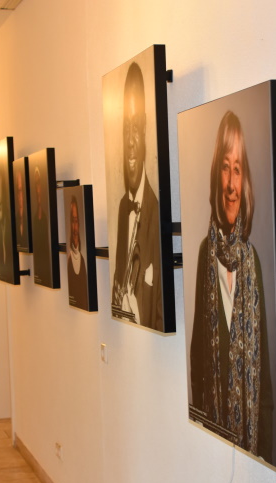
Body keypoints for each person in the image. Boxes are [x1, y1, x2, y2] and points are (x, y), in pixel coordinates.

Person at [189, 111, 272, 461]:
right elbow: (197, 353)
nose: (231, 184)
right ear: (215, 176)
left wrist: (265, 452)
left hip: (252, 445)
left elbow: (263, 372)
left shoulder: (252, 262)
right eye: (225, 166)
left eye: (237, 169)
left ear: (245, 179)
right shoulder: (204, 254)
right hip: (212, 438)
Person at [111, 62, 162, 330]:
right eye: (125, 129)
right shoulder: (122, 208)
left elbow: (160, 315)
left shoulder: (157, 212)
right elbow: (119, 286)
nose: (130, 141)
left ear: (144, 131)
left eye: (136, 128)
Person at [66, 195, 88, 309]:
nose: (75, 228)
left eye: (76, 221)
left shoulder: (83, 261)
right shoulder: (69, 261)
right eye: (72, 222)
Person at [32, 166, 51, 286]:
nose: (38, 188)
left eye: (40, 183)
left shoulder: (46, 216)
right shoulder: (34, 218)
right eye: (36, 184)